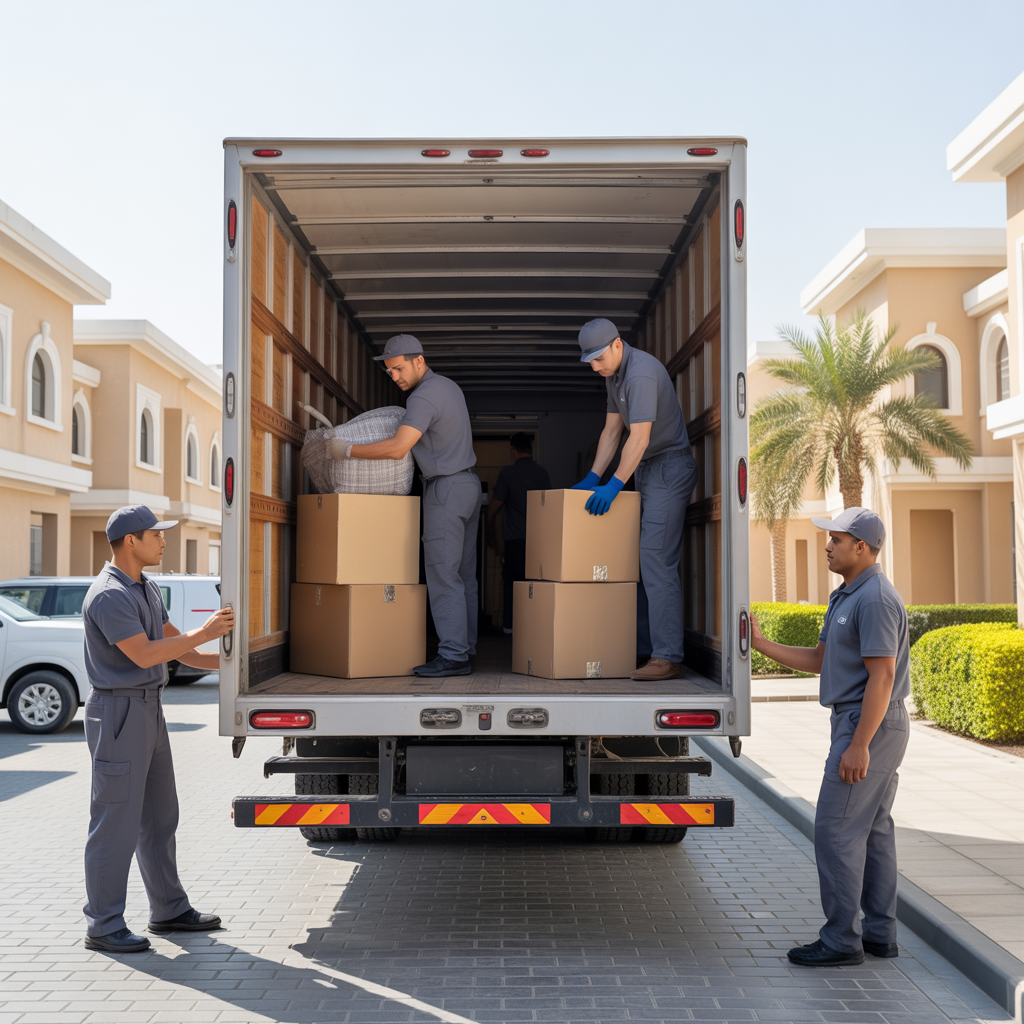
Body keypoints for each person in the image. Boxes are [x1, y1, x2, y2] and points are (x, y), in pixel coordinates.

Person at [750, 507, 910, 967]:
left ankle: (841, 940)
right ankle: (879, 935)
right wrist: (761, 645)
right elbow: (819, 660)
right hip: (862, 720)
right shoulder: (846, 596)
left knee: (835, 830)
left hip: (869, 724)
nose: (827, 545)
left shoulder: (875, 598)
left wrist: (859, 743)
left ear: (862, 547)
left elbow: (882, 678)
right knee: (873, 830)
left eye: (836, 539)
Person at [81, 505, 234, 953]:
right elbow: (146, 654)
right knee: (116, 824)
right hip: (118, 714)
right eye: (156, 534)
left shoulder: (145, 587)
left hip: (149, 709)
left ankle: (167, 909)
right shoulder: (108, 594)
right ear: (131, 541)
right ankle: (103, 924)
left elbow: (178, 651)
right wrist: (204, 633)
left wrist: (234, 670)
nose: (164, 541)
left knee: (160, 816)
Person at [329, 334, 480, 677]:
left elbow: (399, 447)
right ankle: (466, 648)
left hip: (445, 489)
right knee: (463, 576)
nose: (394, 376)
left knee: (443, 576)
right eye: (389, 371)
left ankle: (454, 655)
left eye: (398, 368)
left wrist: (347, 451)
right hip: (468, 485)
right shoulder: (448, 387)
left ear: (418, 361)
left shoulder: (423, 397)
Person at [571, 318, 698, 681]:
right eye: (589, 362)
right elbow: (612, 430)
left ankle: (667, 656)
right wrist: (593, 477)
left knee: (656, 559)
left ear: (617, 345)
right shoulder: (613, 377)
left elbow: (638, 438)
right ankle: (645, 649)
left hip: (668, 467)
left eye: (599, 359)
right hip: (645, 469)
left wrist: (613, 485)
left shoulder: (640, 373)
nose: (596, 367)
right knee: (638, 561)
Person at [486, 432, 551, 633]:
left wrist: (491, 535)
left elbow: (494, 508)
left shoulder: (508, 474)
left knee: (512, 585)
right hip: (538, 542)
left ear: (513, 450)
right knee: (536, 585)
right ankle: (534, 630)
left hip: (514, 541)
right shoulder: (542, 473)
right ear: (530, 449)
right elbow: (548, 507)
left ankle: (509, 628)